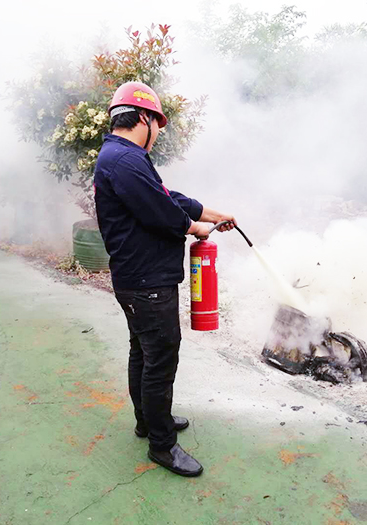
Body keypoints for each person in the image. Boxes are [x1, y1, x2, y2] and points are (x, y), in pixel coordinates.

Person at [94, 81, 235, 477]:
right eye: (157, 122)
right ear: (144, 118)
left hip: (138, 277)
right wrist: (196, 228)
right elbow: (163, 212)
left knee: (143, 351)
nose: (158, 131)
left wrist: (212, 213)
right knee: (160, 358)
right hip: (146, 282)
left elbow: (167, 194)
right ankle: (162, 446)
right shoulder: (124, 160)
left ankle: (148, 420)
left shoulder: (124, 157)